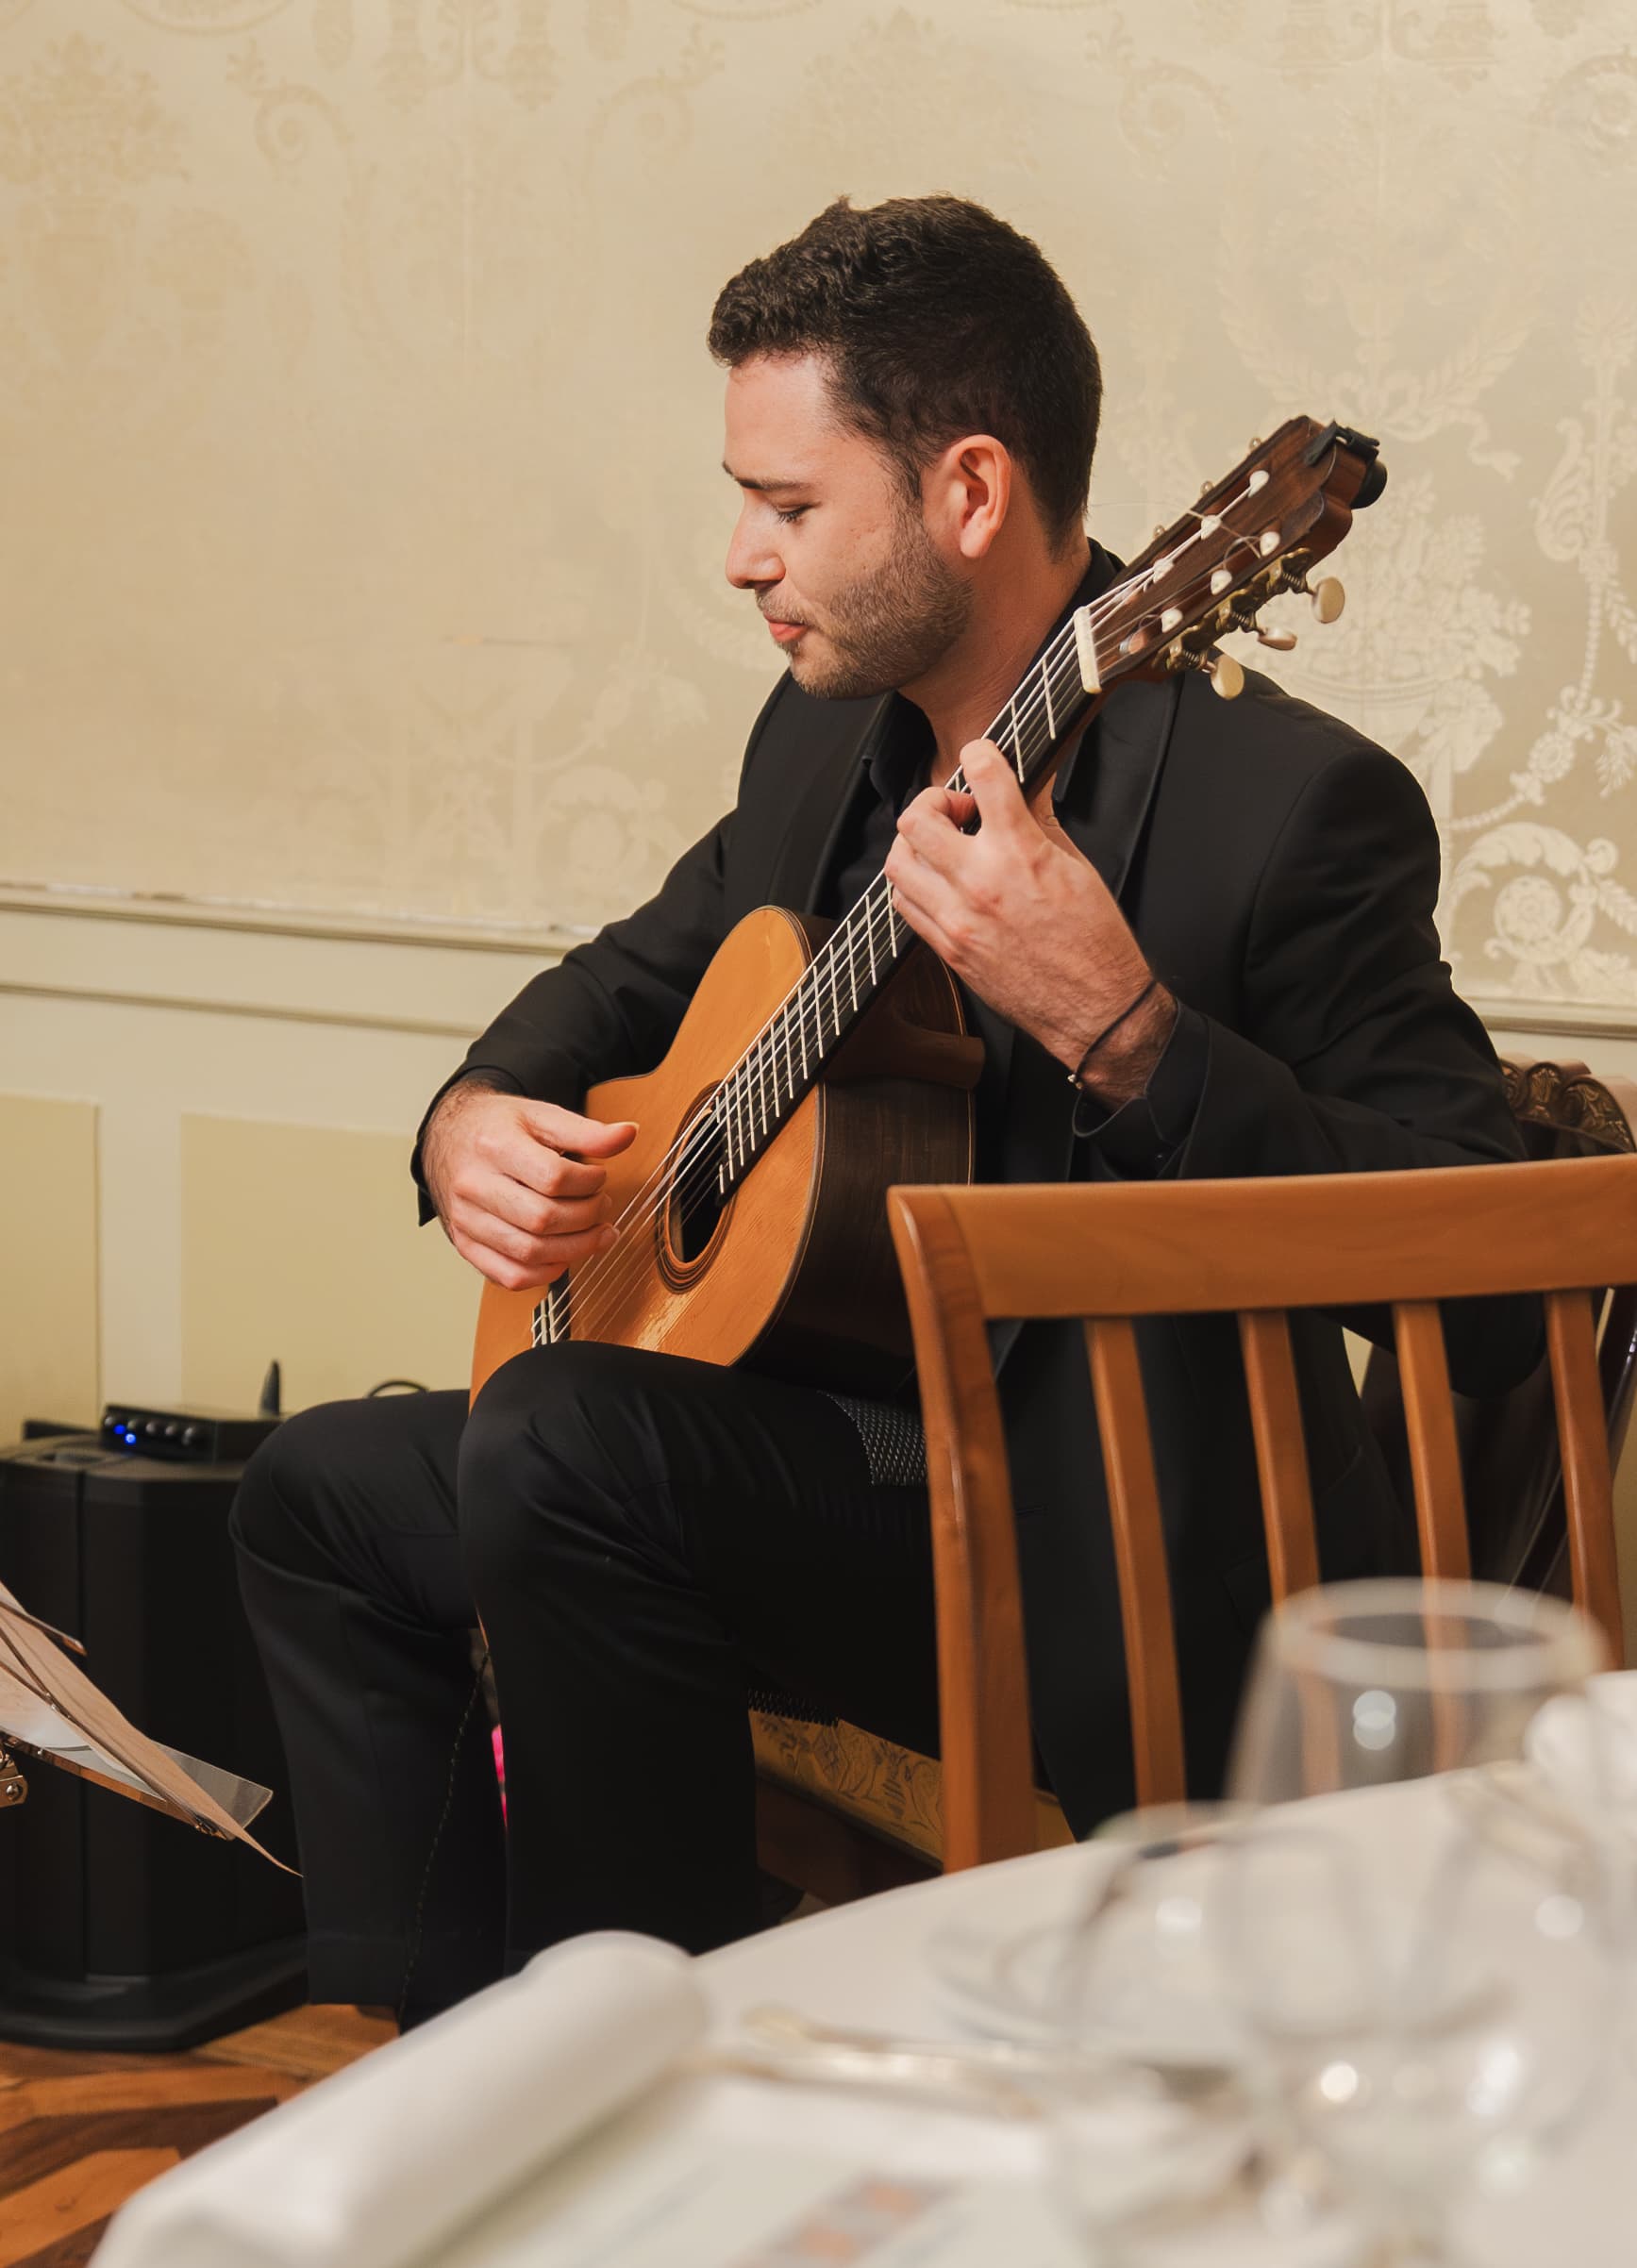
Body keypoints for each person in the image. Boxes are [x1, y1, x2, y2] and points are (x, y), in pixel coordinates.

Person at [231, 195, 1537, 2023]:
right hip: (822, 1471)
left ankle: (644, 2058)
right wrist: (471, 1114)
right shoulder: (821, 742)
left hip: (1101, 1556)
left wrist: (1131, 1033)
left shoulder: (1285, 808)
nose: (740, 558)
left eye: (787, 504)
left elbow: (1490, 1268)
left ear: (969, 491)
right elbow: (638, 967)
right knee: (321, 1491)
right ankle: (439, 2057)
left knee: (561, 1439)